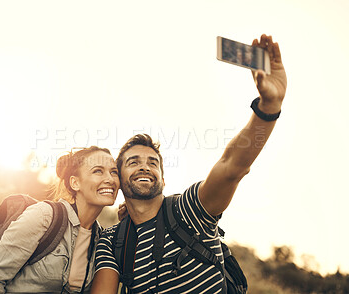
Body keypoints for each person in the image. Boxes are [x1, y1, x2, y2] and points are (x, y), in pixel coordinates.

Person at [91, 34, 287, 293]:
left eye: (153, 163)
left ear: (162, 178)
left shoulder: (188, 210)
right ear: (117, 177)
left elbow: (232, 167)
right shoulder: (112, 240)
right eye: (133, 162)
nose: (144, 167)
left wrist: (269, 107)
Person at [0, 146, 120, 293]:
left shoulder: (102, 239)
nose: (110, 179)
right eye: (98, 171)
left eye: (114, 172)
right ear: (75, 183)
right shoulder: (44, 216)